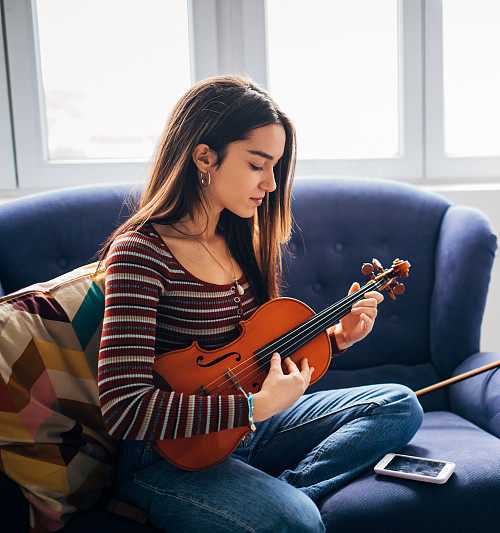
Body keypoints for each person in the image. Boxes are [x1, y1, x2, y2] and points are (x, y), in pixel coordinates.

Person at [94, 75, 424, 532]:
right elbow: (123, 406)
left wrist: (337, 339)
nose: (270, 183)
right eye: (257, 164)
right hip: (170, 454)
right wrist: (252, 409)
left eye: (276, 167)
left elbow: (257, 356)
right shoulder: (139, 253)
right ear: (204, 157)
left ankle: (284, 490)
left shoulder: (240, 239)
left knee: (399, 405)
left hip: (247, 425)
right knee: (300, 523)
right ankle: (277, 508)